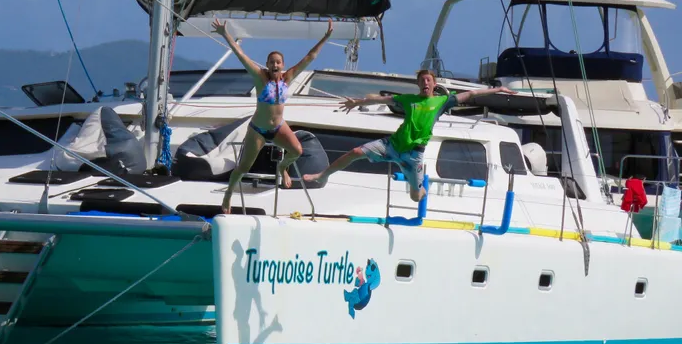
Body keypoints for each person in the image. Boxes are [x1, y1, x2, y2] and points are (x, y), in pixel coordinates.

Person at [303, 69, 516, 202]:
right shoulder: (408, 99)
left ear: (434, 84)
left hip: (413, 157)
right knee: (355, 152)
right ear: (418, 84)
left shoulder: (442, 102)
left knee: (415, 197)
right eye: (422, 80)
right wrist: (357, 102)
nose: (425, 83)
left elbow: (471, 94)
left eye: (428, 80)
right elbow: (380, 100)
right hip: (392, 145)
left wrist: (498, 90)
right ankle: (323, 174)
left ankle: (423, 189)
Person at [212, 17, 334, 213]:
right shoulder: (260, 78)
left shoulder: (288, 78)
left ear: (282, 64)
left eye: (278, 62)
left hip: (278, 127)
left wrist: (326, 37)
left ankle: (282, 168)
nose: (275, 65)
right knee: (243, 168)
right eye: (271, 62)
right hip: (258, 130)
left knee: (297, 151)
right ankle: (228, 195)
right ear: (267, 64)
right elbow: (241, 55)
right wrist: (225, 34)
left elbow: (310, 57)